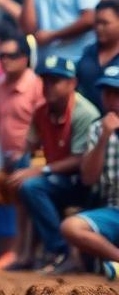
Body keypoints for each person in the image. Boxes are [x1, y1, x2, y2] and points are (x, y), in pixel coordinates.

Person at [7, 56, 101, 272]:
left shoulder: (83, 113)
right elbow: (30, 146)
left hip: (86, 183)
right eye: (46, 80)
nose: (49, 86)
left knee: (32, 185)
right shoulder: (42, 111)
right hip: (58, 179)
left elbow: (80, 160)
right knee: (23, 180)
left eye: (56, 81)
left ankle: (62, 252)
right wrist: (16, 166)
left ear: (72, 83)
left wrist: (39, 169)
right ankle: (31, 254)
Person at [0, 29, 43, 271]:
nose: (5, 60)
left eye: (11, 55)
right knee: (16, 205)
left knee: (29, 204)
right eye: (2, 56)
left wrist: (30, 155)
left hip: (33, 154)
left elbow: (42, 124)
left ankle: (29, 254)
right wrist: (0, 159)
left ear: (25, 58)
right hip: (10, 153)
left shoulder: (36, 85)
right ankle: (20, 254)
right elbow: (1, 122)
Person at [62, 65, 119, 280]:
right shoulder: (97, 128)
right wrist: (105, 136)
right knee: (71, 226)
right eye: (107, 93)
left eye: (117, 93)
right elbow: (88, 178)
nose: (111, 99)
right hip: (114, 211)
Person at [78, 0, 119, 109]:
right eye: (97, 23)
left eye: (105, 23)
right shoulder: (87, 52)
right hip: (89, 121)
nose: (99, 28)